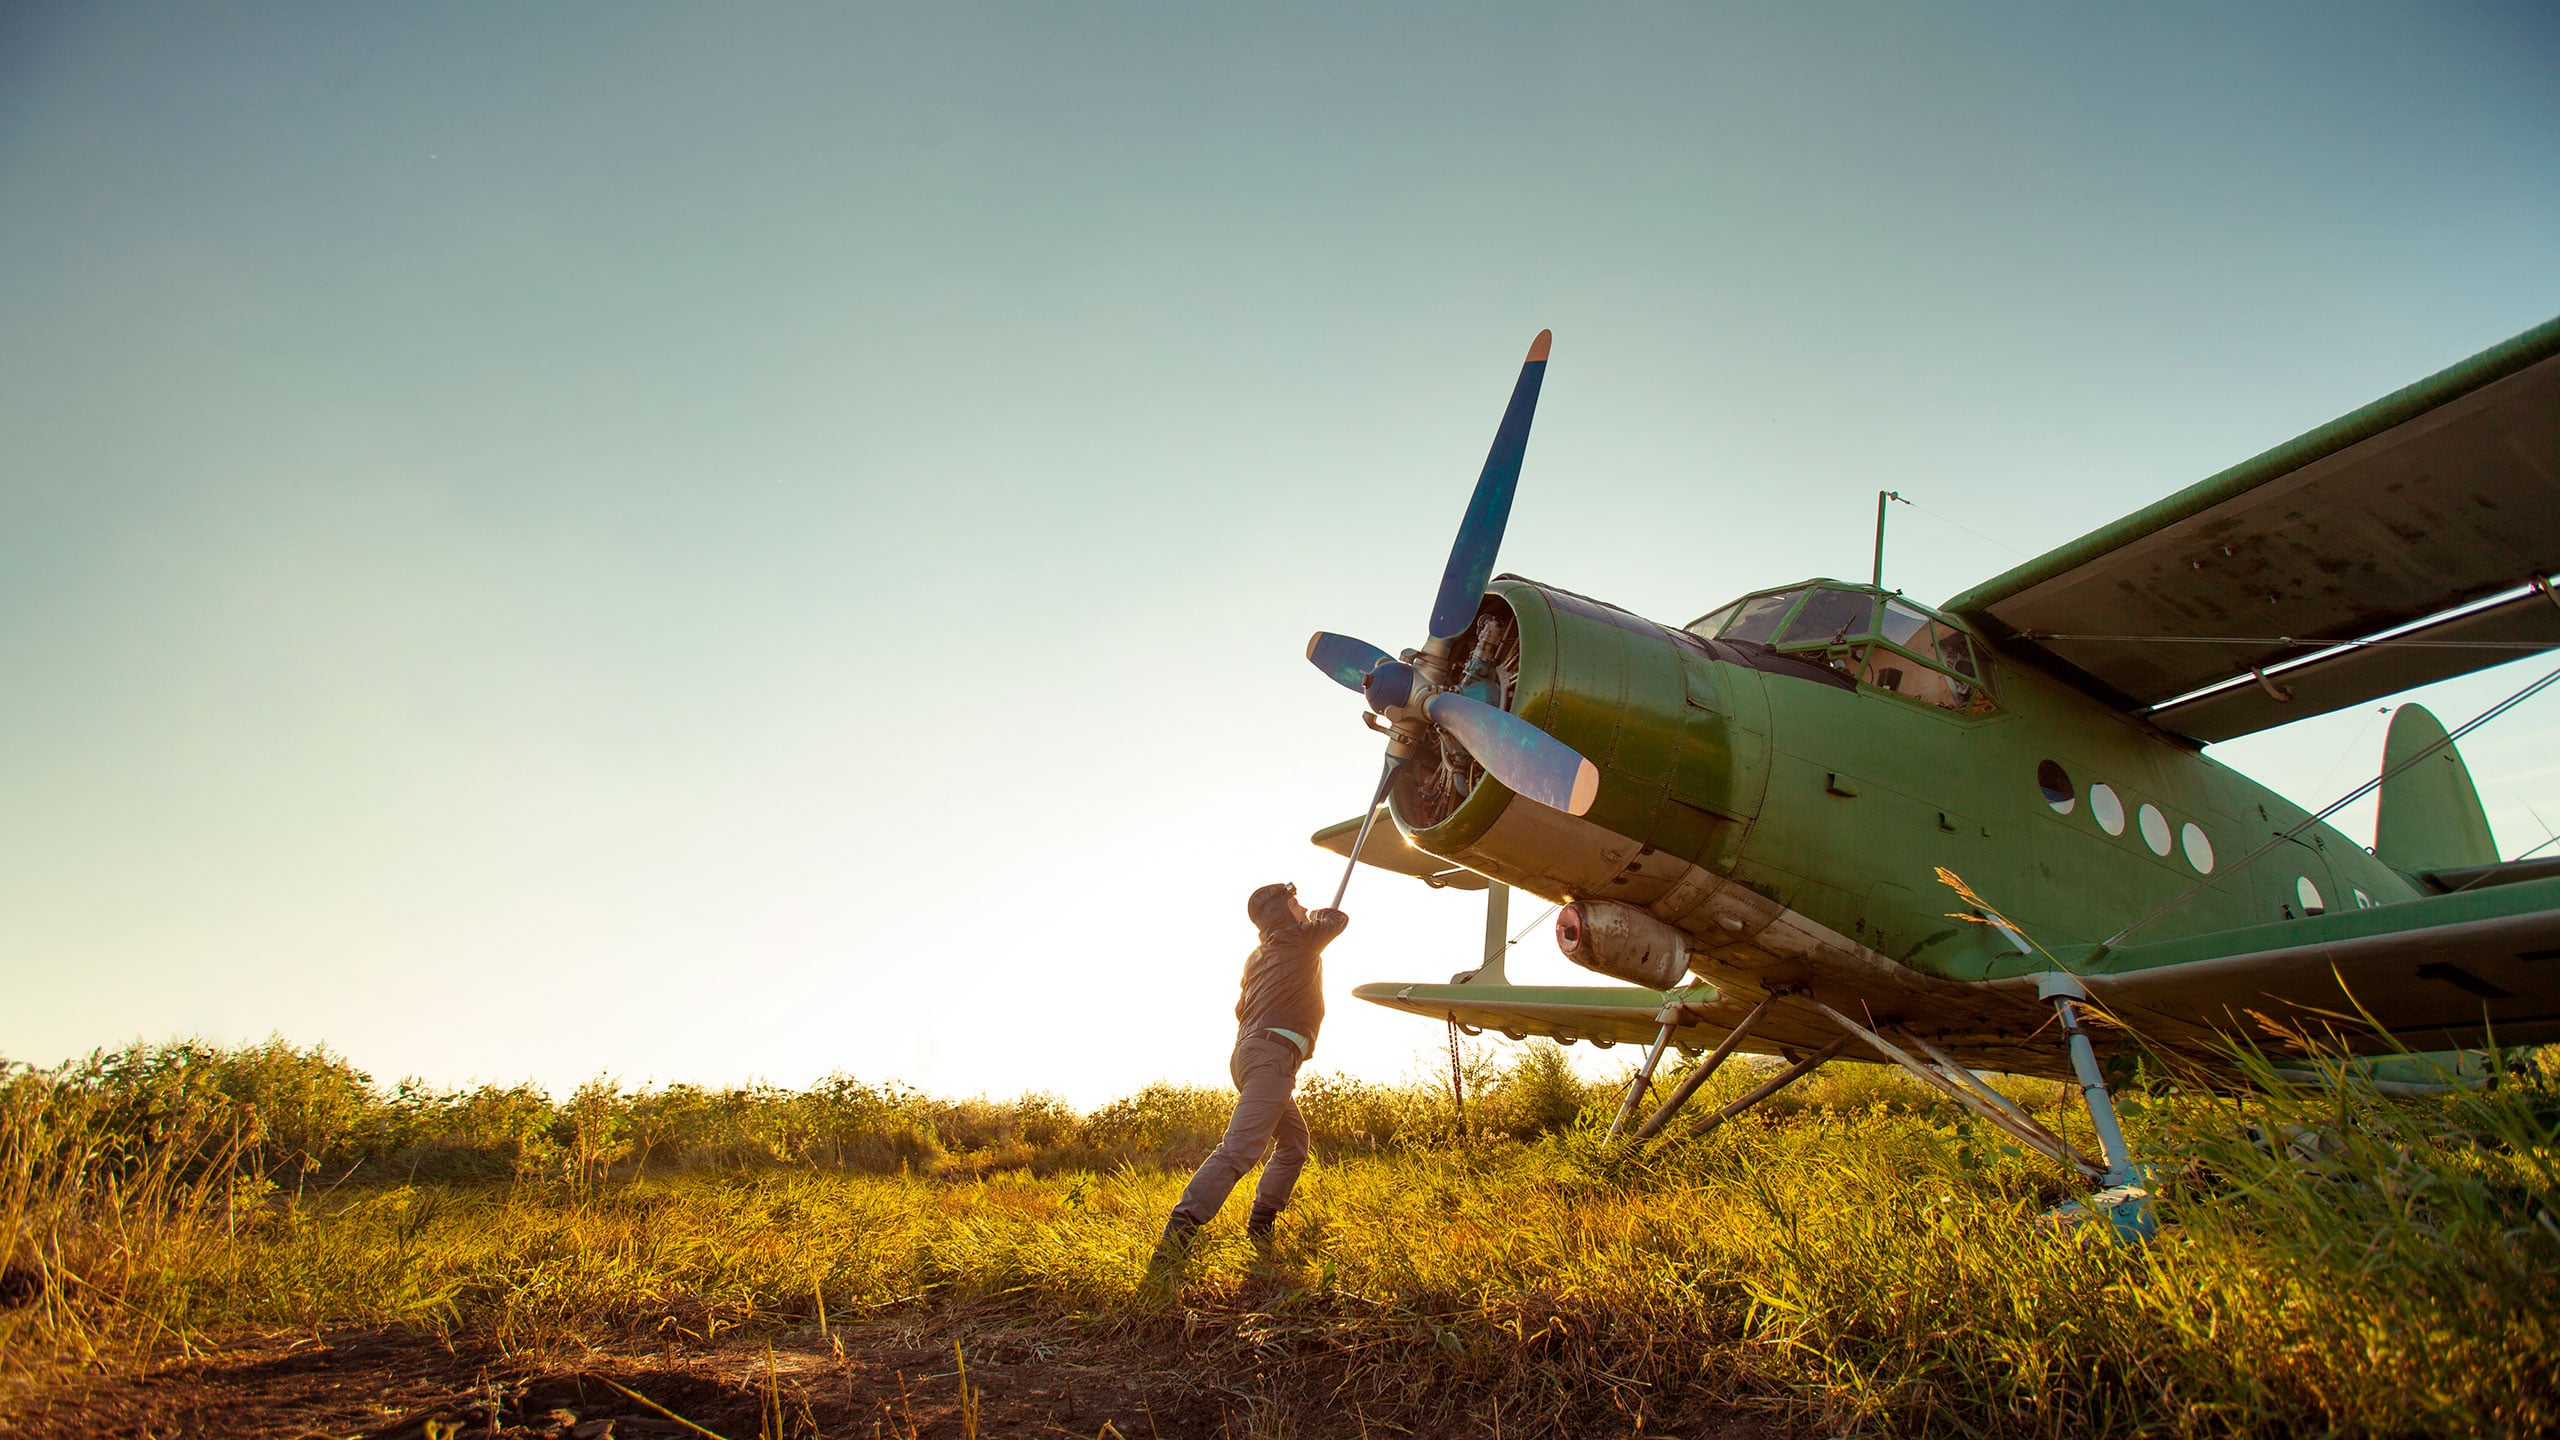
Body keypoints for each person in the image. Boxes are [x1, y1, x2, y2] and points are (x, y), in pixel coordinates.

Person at [1155, 881, 1348, 1263]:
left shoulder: (1257, 956)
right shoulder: (1298, 938)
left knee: (1294, 1143)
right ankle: (1175, 1240)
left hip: (1249, 1056)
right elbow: (1336, 920)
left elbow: (1241, 1008)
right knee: (1239, 1149)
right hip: (1271, 1057)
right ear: (1280, 911)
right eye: (1296, 903)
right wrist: (1316, 918)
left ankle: (1261, 1226)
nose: (1304, 908)